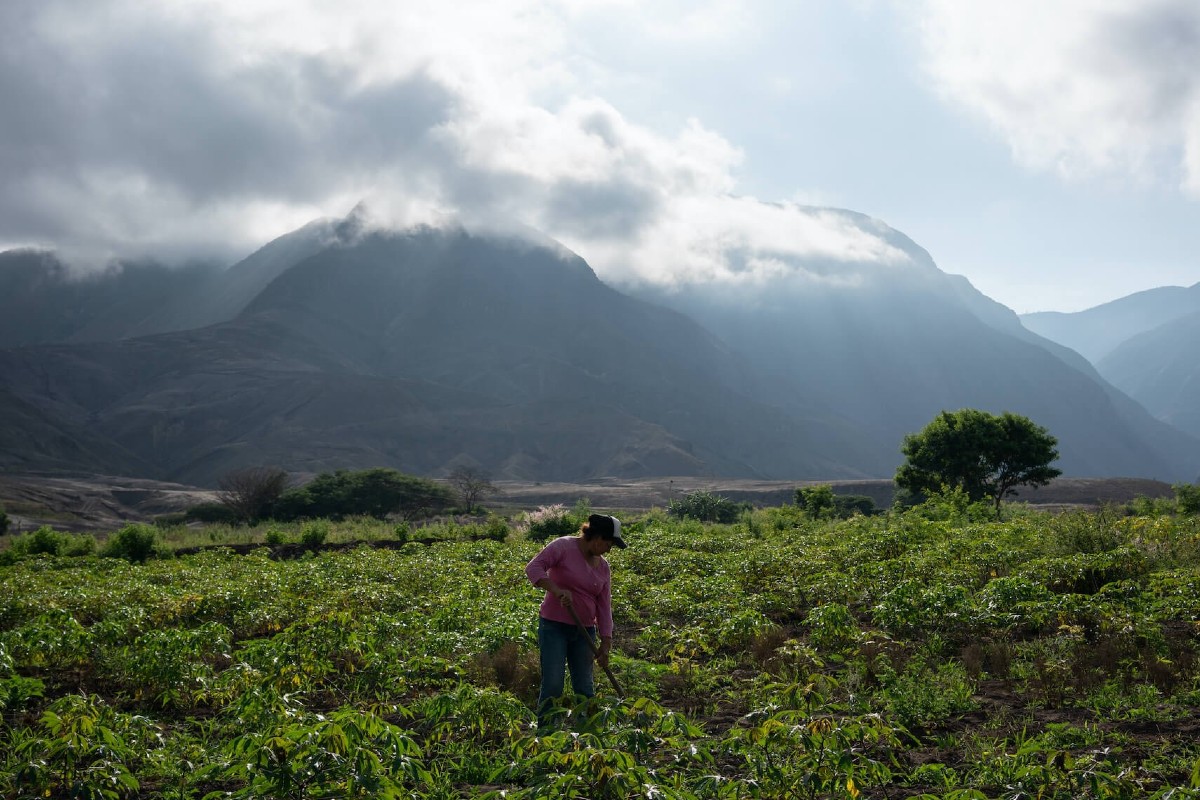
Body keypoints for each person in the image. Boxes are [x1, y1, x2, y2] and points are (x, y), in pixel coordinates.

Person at [525, 513, 626, 725]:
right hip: (554, 627)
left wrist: (606, 642)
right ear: (597, 537)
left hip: (584, 632)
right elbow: (533, 568)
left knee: (584, 687)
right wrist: (556, 590)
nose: (609, 549)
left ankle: (587, 735)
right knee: (553, 684)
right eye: (608, 544)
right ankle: (546, 734)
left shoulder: (604, 567)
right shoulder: (563, 547)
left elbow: (604, 606)